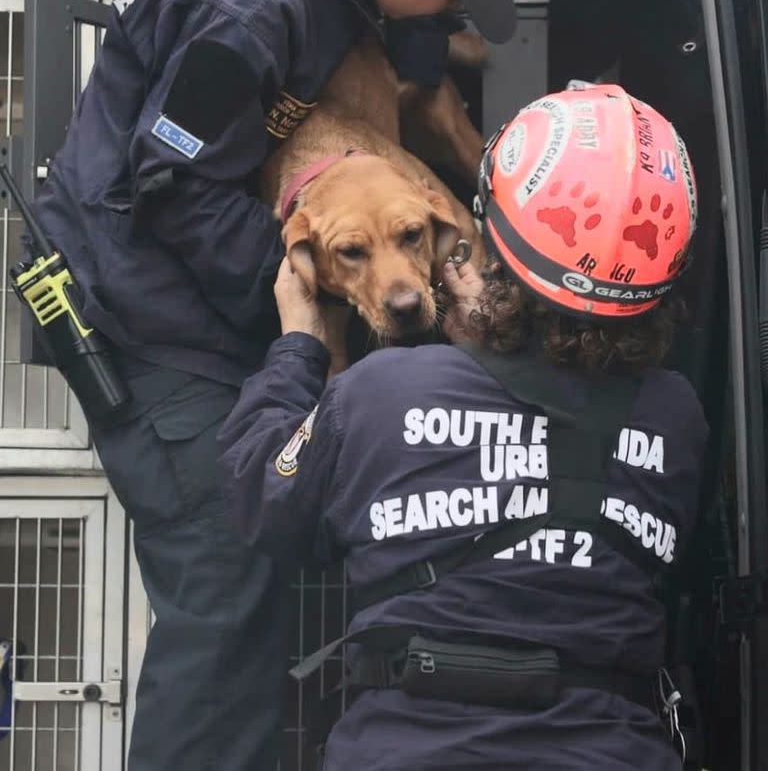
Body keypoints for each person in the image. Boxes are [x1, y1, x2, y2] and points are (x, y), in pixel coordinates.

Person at [25, 0, 532, 771]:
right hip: (142, 304)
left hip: (191, 260)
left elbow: (385, 26)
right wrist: (330, 301)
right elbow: (173, 187)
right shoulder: (251, 4)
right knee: (227, 583)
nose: (457, 11)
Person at [217, 83, 708, 770]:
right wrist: (496, 336)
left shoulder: (377, 393)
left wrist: (299, 344)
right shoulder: (676, 415)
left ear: (484, 228)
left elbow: (260, 501)